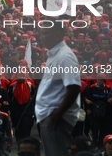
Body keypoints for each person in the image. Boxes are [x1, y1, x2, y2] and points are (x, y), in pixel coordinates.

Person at [35, 21, 81, 156]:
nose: (42, 37)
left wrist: (57, 114)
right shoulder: (54, 55)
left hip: (55, 117)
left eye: (46, 33)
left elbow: (73, 88)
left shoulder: (65, 56)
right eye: (41, 33)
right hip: (49, 116)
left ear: (58, 34)